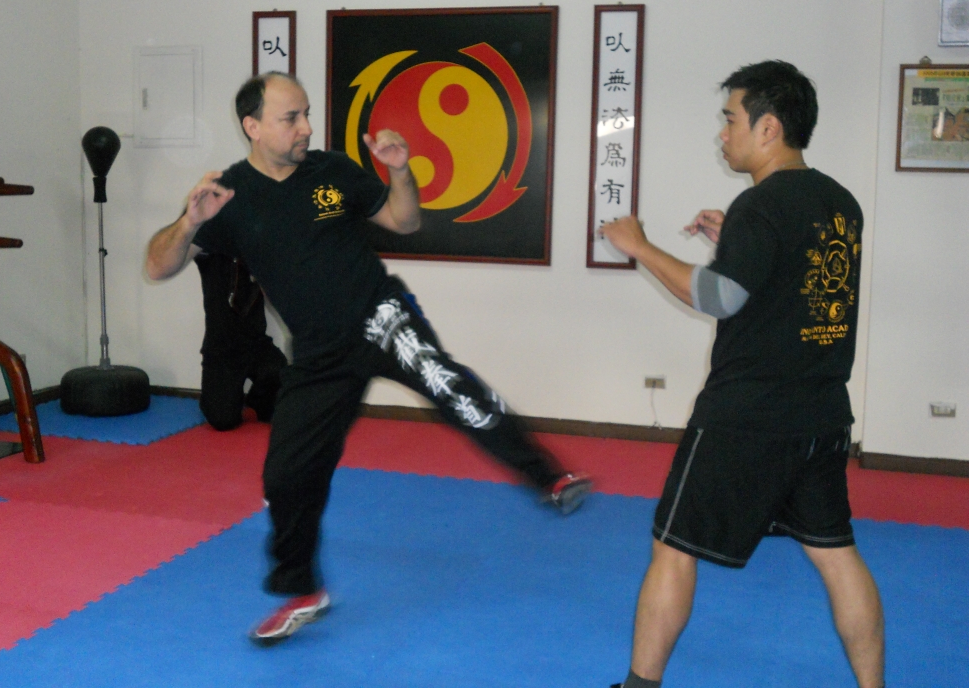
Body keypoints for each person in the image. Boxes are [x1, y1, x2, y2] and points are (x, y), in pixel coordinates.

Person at [145, 71, 591, 644]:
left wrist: (399, 171)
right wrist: (189, 221)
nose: (307, 128)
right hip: (317, 353)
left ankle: (550, 478)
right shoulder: (227, 196)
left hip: (383, 319)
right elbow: (157, 266)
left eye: (307, 114)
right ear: (252, 127)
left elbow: (404, 221)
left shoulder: (332, 171)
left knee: (452, 389)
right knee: (286, 474)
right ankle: (302, 589)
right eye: (291, 118)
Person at [600, 61, 884, 688]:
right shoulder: (840, 202)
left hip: (746, 416)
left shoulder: (761, 204)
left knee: (672, 548)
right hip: (822, 414)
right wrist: (737, 241)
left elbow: (719, 298)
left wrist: (640, 246)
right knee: (836, 555)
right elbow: (798, 278)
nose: (722, 133)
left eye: (730, 119)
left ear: (768, 128)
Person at [194, 252, 286, 431]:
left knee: (282, 374)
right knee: (222, 420)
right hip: (222, 351)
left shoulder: (258, 250)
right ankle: (224, 398)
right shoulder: (212, 250)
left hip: (257, 345)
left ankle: (257, 401)